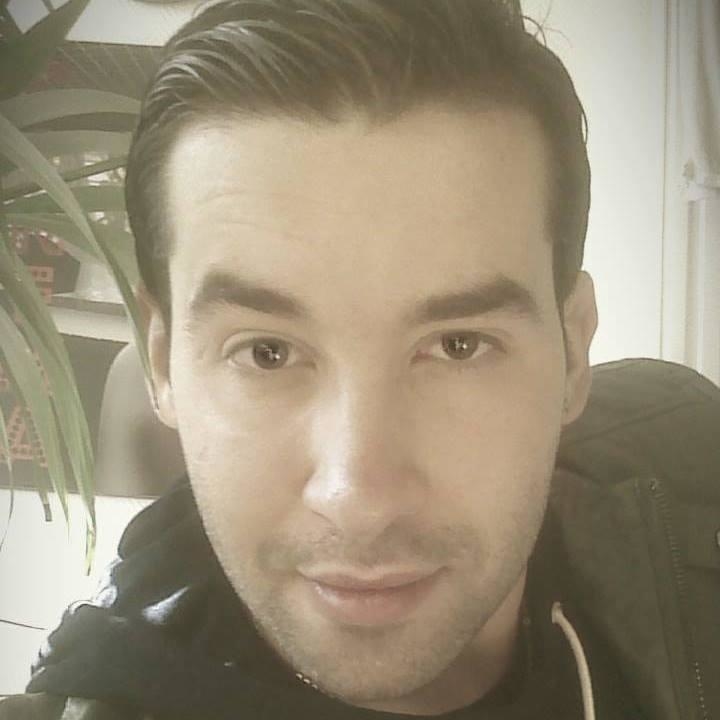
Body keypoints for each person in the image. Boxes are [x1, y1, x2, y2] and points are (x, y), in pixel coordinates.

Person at [2, 1, 719, 718]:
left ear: (573, 351)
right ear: (162, 364)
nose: (359, 499)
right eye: (267, 352)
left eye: (459, 345)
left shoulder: (689, 456)